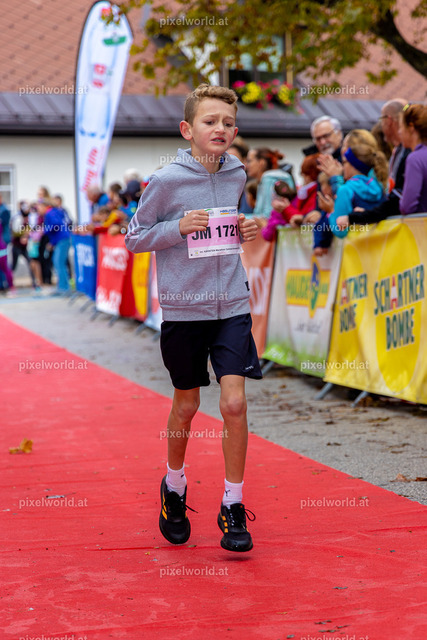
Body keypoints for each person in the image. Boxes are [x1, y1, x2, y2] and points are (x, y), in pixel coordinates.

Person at [125, 83, 261, 553]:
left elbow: (229, 225)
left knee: (234, 404)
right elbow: (134, 237)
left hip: (232, 305)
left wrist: (245, 227)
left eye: (227, 122)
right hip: (185, 309)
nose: (219, 128)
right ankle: (175, 486)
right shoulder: (165, 181)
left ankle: (233, 505)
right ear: (187, 129)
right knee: (187, 405)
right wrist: (176, 228)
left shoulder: (237, 171)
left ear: (235, 131)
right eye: (210, 121)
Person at [344, 99, 411, 227]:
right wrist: (368, 213)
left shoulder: (409, 154)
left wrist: (362, 216)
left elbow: (399, 201)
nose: (380, 125)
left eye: (381, 119)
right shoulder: (399, 151)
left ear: (389, 120)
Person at [330, 130, 388, 236]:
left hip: (356, 245)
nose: (342, 167)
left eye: (344, 162)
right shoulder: (379, 186)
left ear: (353, 164)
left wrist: (331, 212)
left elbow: (340, 231)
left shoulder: (345, 190)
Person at [246, 147, 295, 221]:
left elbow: (266, 216)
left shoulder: (268, 179)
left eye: (249, 161)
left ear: (261, 163)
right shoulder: (266, 179)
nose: (246, 165)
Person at [399, 104, 427, 214]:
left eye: (401, 127)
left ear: (411, 128)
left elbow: (407, 206)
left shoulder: (415, 159)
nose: (399, 132)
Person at [40, 199, 72, 294]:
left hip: (62, 240)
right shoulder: (52, 212)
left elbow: (56, 225)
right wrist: (52, 243)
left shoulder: (50, 213)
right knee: (58, 262)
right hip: (61, 240)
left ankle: (64, 288)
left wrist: (44, 230)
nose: (38, 210)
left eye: (39, 207)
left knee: (59, 262)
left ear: (44, 206)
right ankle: (63, 286)